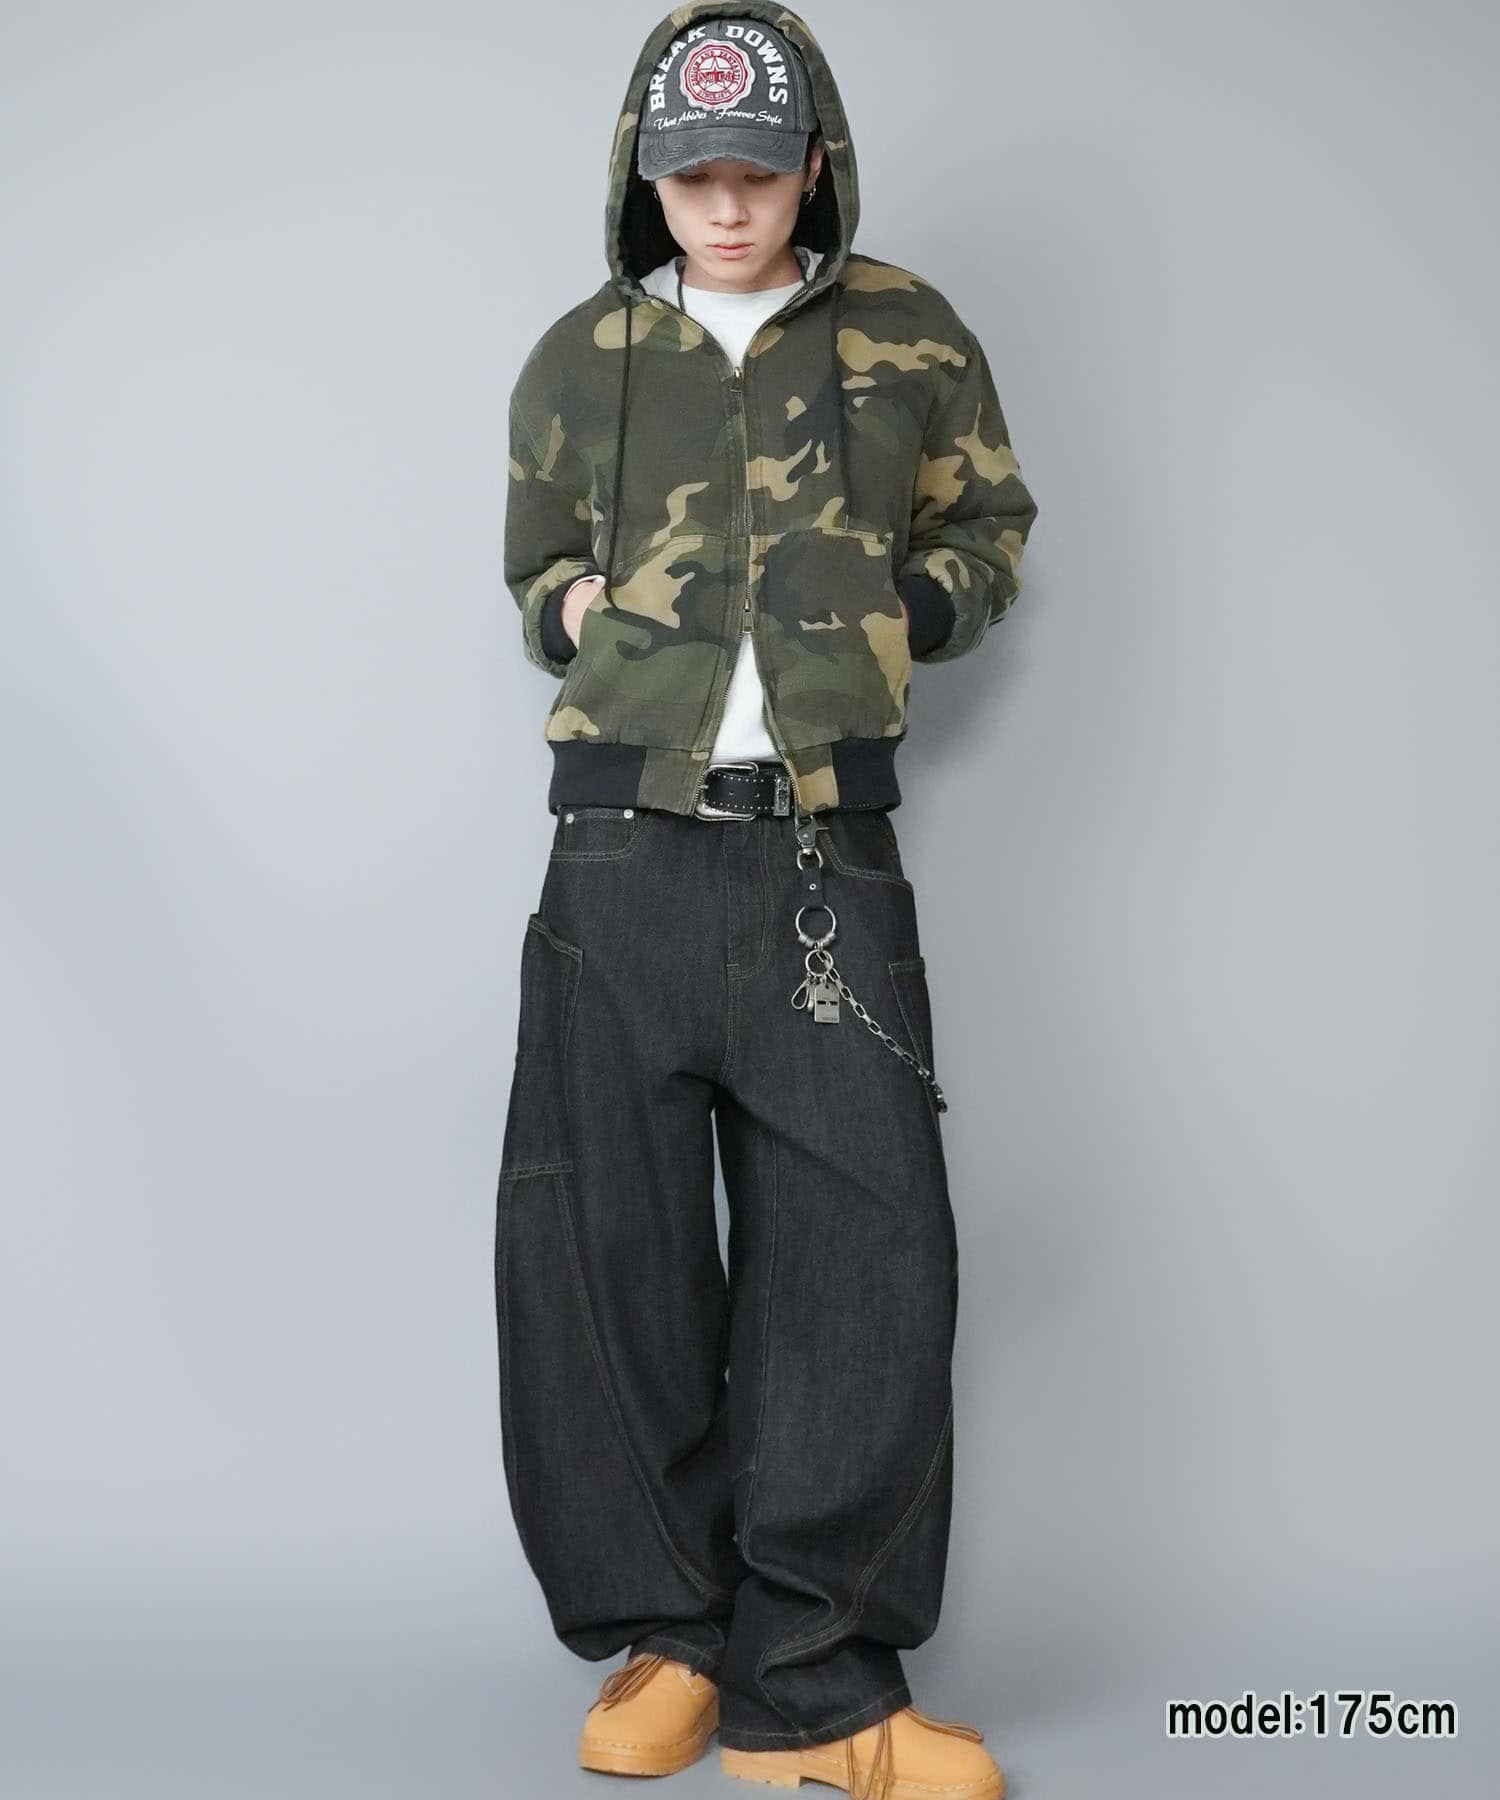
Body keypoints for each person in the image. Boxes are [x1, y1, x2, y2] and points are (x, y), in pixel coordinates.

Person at [497, 7, 1038, 1796]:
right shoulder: (579, 358)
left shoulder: (909, 333)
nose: (723, 208)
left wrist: (907, 613)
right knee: (605, 1251)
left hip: (825, 849)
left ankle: (818, 1682)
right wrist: (569, 611)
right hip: (620, 850)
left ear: (815, 164)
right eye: (690, 178)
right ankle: (667, 1642)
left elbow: (989, 530)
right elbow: (534, 566)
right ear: (645, 179)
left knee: (865, 1255)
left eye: (754, 171)